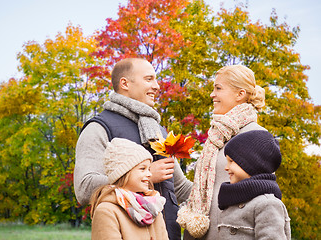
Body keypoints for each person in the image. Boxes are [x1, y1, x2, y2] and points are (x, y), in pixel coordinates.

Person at [74, 58, 192, 240]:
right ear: (125, 83)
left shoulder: (158, 131)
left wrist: (229, 191)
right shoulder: (98, 128)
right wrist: (145, 175)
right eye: (149, 79)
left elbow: (181, 188)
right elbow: (84, 187)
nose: (157, 86)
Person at [177, 65, 267, 239]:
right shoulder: (217, 135)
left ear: (240, 94)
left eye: (218, 88)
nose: (212, 94)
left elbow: (263, 197)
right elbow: (207, 191)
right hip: (202, 232)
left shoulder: (257, 136)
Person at [217, 130, 291, 239]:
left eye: (231, 161)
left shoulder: (267, 204)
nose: (226, 167)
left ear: (251, 163)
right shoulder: (233, 200)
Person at [90, 138, 169, 240]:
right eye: (142, 169)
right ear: (124, 173)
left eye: (149, 169)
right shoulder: (106, 211)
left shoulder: (153, 207)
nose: (149, 174)